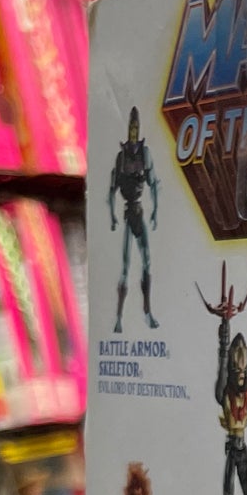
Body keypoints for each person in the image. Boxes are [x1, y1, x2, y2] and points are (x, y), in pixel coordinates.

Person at [108, 107, 159, 333]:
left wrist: (155, 210)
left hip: (138, 210)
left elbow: (153, 183)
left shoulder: (144, 154)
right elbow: (111, 190)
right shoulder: (121, 157)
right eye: (131, 127)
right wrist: (112, 216)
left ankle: (147, 311)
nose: (133, 131)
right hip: (128, 213)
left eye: (136, 127)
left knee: (146, 261)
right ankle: (119, 317)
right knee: (125, 266)